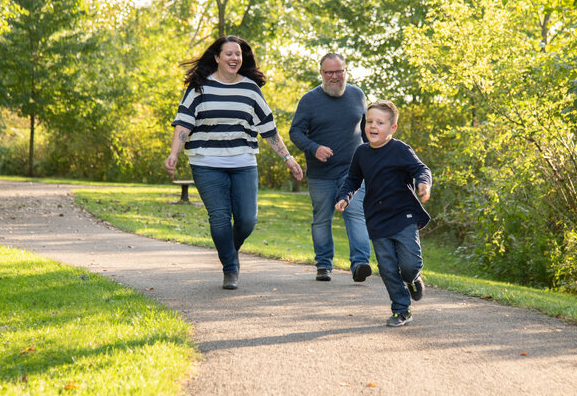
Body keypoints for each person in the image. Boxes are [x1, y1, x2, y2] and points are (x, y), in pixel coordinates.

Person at [165, 35, 303, 290]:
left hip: (243, 162)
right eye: (228, 54)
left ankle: (229, 249)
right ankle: (230, 268)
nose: (234, 58)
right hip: (206, 161)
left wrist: (288, 157)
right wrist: (174, 153)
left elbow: (268, 129)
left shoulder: (250, 89)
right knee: (219, 218)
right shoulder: (200, 88)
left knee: (248, 219)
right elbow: (183, 122)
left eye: (238, 54)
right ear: (217, 58)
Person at [335, 100, 432, 327]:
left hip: (404, 216)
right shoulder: (361, 153)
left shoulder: (400, 150)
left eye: (380, 122)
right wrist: (344, 196)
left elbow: (421, 169)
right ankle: (401, 309)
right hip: (378, 219)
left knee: (409, 265)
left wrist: (424, 183)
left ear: (392, 128)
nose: (373, 126)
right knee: (387, 268)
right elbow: (352, 179)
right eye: (369, 121)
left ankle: (413, 278)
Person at [290, 53, 372, 283]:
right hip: (321, 174)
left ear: (346, 71)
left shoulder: (358, 95)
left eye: (339, 71)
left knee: (356, 214)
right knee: (322, 218)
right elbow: (295, 132)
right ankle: (324, 265)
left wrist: (372, 161)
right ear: (321, 73)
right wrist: (313, 147)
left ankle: (360, 264)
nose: (335, 76)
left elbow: (366, 132)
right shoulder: (309, 100)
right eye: (329, 72)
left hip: (353, 172)